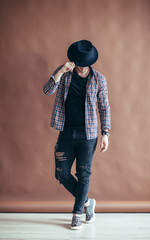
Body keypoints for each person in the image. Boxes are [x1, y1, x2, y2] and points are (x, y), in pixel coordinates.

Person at [43, 40, 111, 230]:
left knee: (83, 175)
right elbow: (47, 90)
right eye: (78, 63)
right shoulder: (64, 73)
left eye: (84, 63)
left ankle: (77, 213)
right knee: (61, 173)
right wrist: (60, 72)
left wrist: (105, 133)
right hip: (66, 131)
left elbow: (104, 107)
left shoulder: (99, 80)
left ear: (91, 61)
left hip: (88, 135)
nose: (81, 67)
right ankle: (87, 202)